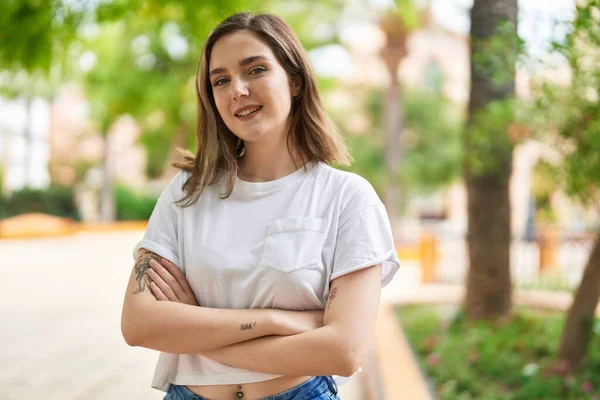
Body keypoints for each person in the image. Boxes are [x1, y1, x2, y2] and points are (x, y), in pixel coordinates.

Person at [121, 12, 400, 400]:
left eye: (255, 70)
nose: (237, 89)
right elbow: (139, 325)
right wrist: (274, 321)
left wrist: (194, 328)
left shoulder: (348, 199)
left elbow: (342, 351)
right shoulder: (186, 192)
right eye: (220, 80)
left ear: (295, 80)